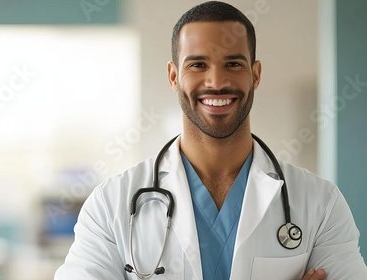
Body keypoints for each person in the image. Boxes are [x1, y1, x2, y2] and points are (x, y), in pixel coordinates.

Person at [54, 1, 367, 279]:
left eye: (233, 64)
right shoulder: (111, 204)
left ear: (255, 74)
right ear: (174, 75)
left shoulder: (321, 204)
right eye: (198, 65)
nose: (217, 82)